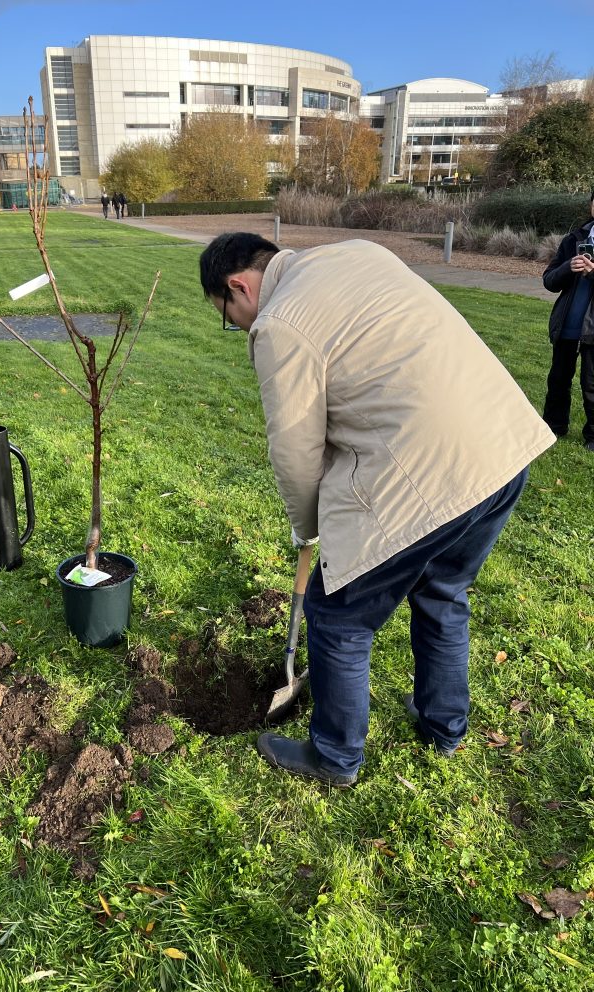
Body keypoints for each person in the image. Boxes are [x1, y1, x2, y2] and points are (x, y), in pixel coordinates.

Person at [199, 232, 555, 787]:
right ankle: (444, 728)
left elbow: (295, 450)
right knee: (443, 591)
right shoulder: (360, 253)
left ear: (237, 286)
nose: (240, 325)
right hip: (503, 450)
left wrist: (307, 529)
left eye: (229, 315)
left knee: (338, 614)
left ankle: (335, 757)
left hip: (431, 473)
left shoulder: (279, 323)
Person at [541, 189, 594, 450]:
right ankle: (553, 426)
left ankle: (593, 437)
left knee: (592, 384)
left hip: (593, 330)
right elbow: (549, 280)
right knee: (558, 379)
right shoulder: (573, 239)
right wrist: (567, 267)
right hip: (567, 326)